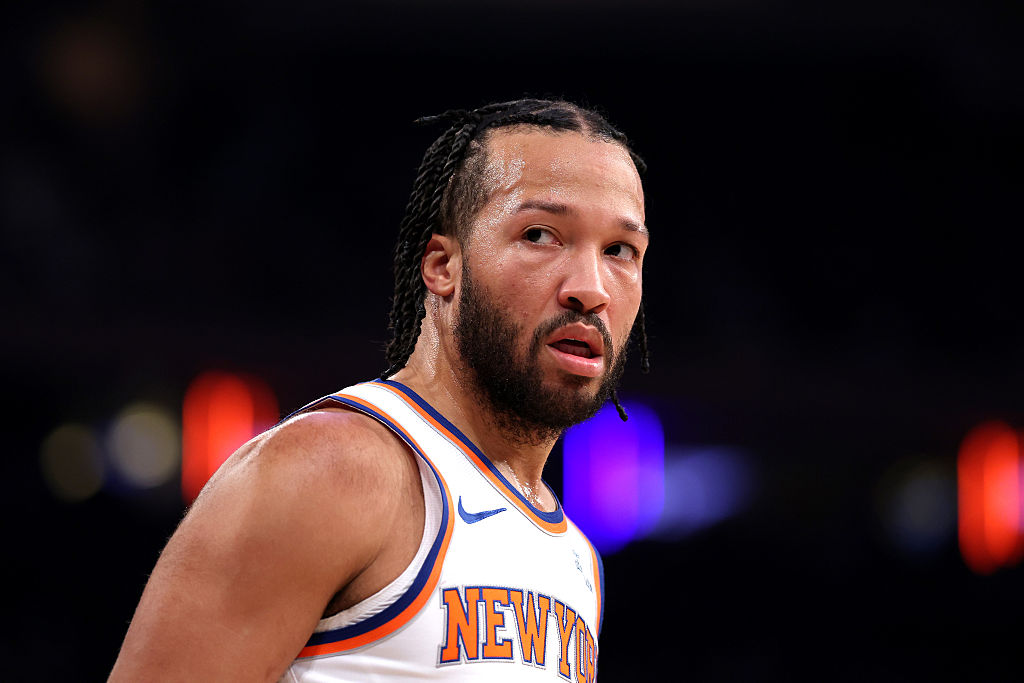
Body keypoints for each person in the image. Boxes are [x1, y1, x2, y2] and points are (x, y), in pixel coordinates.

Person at [109, 98, 650, 682]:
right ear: (443, 265)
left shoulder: (577, 561)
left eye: (620, 251)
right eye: (541, 234)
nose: (591, 289)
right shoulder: (334, 468)